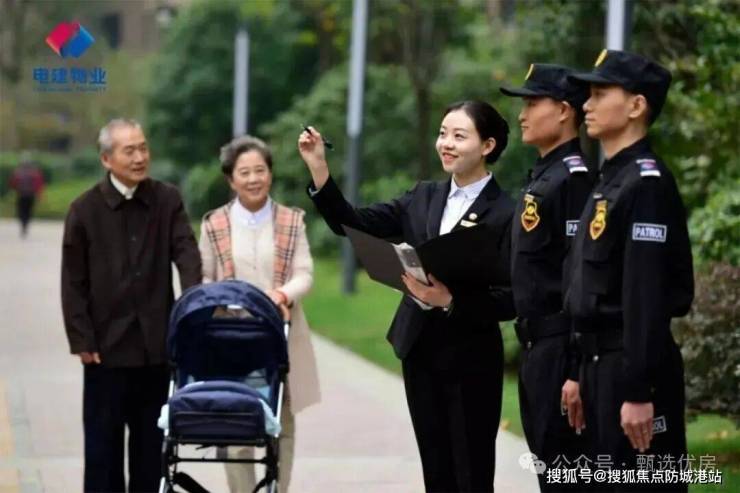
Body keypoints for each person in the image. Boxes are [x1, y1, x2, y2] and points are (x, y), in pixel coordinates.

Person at [298, 100, 516, 492]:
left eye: (459, 136)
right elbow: (353, 224)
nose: (446, 144)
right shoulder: (422, 196)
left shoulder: (507, 212)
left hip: (472, 359)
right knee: (435, 469)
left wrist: (451, 301)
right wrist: (319, 169)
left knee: (471, 472)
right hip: (420, 350)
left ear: (487, 146)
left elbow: (514, 297)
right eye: (442, 134)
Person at [564, 50, 694, 492]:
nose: (587, 105)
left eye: (600, 94)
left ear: (636, 105)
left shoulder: (646, 185)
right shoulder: (610, 180)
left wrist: (639, 390)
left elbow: (646, 296)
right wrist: (578, 369)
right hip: (599, 366)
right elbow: (587, 285)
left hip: (631, 370)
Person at [61, 118, 202, 493]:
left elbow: (187, 254)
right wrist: (81, 338)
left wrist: (190, 308)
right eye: (130, 151)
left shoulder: (167, 199)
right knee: (102, 452)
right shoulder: (84, 210)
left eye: (143, 148)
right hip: (104, 350)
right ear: (107, 159)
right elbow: (73, 282)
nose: (140, 157)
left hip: (156, 348)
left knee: (151, 451)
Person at [199, 135, 321, 493]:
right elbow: (204, 277)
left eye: (260, 170)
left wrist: (282, 294)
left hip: (281, 333)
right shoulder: (214, 224)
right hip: (230, 335)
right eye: (244, 172)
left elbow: (305, 273)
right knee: (234, 421)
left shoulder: (291, 220)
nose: (254, 179)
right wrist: (220, 299)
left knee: (281, 421)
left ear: (270, 173)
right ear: (230, 179)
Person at [500, 63, 594, 491]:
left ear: (563, 111)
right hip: (537, 349)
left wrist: (575, 368)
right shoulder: (545, 175)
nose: (522, 115)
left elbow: (581, 279)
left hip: (560, 351)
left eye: (532, 103)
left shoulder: (574, 180)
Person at [9, 155, 45, 238]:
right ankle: (25, 224)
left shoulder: (18, 172)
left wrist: (14, 190)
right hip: (30, 195)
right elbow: (39, 185)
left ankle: (23, 224)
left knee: (21, 211)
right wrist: (40, 195)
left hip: (21, 195)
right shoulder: (34, 173)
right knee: (28, 211)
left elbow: (12, 184)